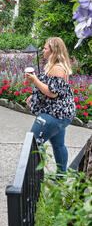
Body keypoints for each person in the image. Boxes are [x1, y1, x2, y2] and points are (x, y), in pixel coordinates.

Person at [25, 37, 76, 173]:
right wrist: (34, 96)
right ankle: (61, 176)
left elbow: (52, 93)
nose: (43, 50)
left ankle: (36, 176)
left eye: (45, 48)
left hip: (54, 114)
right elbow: (53, 89)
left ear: (53, 51)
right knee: (59, 145)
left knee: (34, 142)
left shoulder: (57, 69)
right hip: (59, 114)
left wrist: (35, 79)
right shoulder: (53, 66)